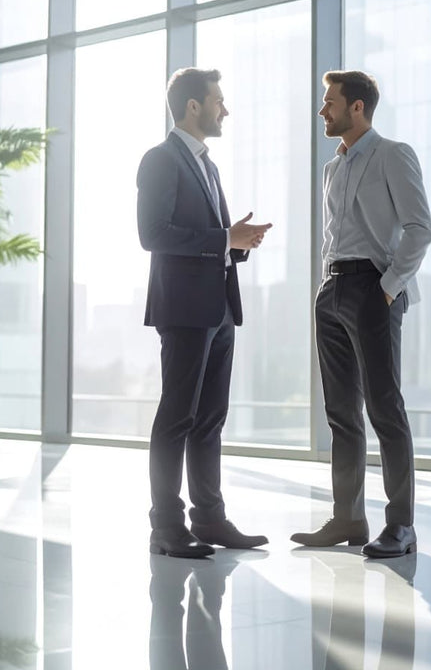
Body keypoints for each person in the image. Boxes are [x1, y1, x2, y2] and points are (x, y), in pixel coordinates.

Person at [290, 70, 431, 558]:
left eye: (329, 101)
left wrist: (388, 289)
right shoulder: (334, 167)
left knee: (384, 408)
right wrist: (325, 286)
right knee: (341, 413)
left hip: (373, 289)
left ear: (357, 107)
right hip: (331, 290)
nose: (321, 109)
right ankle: (348, 517)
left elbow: (420, 228)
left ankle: (401, 526)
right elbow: (336, 235)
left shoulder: (393, 154)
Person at [137, 67, 273, 559]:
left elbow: (207, 241)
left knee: (211, 418)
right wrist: (223, 239)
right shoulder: (160, 159)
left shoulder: (208, 166)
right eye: (218, 100)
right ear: (193, 106)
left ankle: (210, 519)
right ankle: (166, 528)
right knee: (177, 415)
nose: (225, 109)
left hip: (218, 308)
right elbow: (152, 234)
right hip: (184, 308)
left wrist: (236, 244)